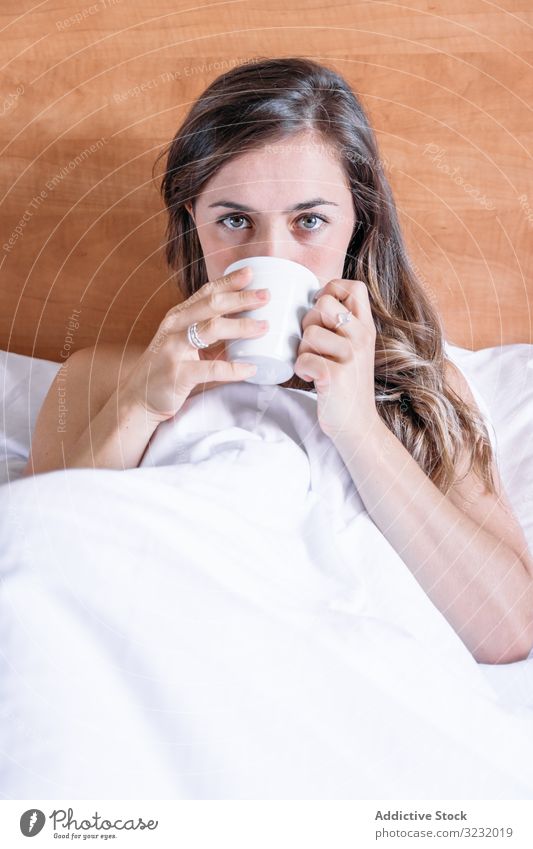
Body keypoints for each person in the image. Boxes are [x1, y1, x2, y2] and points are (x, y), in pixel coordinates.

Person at [23, 56, 532, 663]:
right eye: (234, 220)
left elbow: (510, 632)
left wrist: (357, 424)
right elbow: (38, 568)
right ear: (194, 221)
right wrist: (139, 405)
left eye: (309, 221)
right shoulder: (99, 378)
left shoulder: (420, 387)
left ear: (357, 225)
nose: (271, 254)